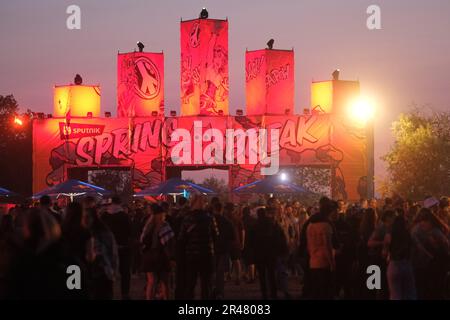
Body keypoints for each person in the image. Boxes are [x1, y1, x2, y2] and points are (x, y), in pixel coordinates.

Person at [5, 208, 67, 299]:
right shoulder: (68, 259)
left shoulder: (21, 262)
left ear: (28, 230)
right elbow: (79, 292)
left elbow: (12, 291)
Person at [179, 195, 218, 299]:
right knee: (206, 282)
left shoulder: (187, 218)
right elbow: (216, 235)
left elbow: (182, 238)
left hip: (191, 254)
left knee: (191, 282)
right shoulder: (210, 218)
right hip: (207, 253)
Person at [411, 208, 449, 299]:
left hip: (437, 263)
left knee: (434, 287)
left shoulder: (435, 232)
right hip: (429, 264)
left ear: (430, 222)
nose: (422, 224)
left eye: (424, 222)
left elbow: (445, 247)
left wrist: (434, 247)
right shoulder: (422, 231)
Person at [250, 207, 287, 300]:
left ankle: (264, 294)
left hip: (259, 254)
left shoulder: (254, 225)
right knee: (271, 275)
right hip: (271, 253)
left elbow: (251, 240)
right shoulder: (272, 224)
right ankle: (273, 294)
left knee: (262, 276)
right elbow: (279, 237)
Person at [140, 204, 175, 300]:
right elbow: (168, 243)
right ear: (161, 214)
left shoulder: (147, 226)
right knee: (165, 282)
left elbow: (142, 240)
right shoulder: (164, 226)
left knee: (151, 282)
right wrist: (172, 258)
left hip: (148, 257)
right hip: (161, 256)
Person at [101, 196, 132, 299]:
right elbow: (129, 232)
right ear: (119, 203)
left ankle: (109, 294)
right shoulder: (124, 215)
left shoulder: (105, 215)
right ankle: (125, 294)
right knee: (125, 272)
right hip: (123, 247)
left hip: (108, 248)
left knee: (109, 272)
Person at [85, 207, 119, 300]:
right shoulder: (81, 233)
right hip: (87, 273)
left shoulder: (103, 232)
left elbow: (113, 252)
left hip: (102, 271)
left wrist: (113, 271)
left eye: (88, 217)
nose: (85, 220)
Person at [306, 199, 335, 300]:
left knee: (316, 290)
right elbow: (327, 246)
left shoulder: (310, 226)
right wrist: (332, 263)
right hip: (324, 262)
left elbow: (308, 244)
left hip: (313, 261)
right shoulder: (326, 226)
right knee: (325, 291)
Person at [61, 201, 90, 299]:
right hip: (80, 267)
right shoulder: (85, 232)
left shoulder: (60, 230)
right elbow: (90, 256)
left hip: (64, 267)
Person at [384, 215, 416, 300]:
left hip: (394, 263)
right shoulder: (408, 234)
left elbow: (384, 252)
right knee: (409, 293)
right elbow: (413, 249)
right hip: (406, 263)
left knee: (395, 294)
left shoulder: (389, 235)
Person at [367, 210, 396, 299]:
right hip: (377, 260)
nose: (395, 219)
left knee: (382, 287)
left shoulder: (391, 228)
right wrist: (383, 242)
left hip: (384, 261)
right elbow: (369, 243)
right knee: (376, 286)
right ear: (387, 218)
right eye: (393, 217)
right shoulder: (381, 228)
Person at [211, 200, 234, 299]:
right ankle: (219, 292)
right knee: (220, 272)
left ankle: (212, 290)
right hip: (223, 249)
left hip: (211, 249)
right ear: (221, 210)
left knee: (211, 271)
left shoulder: (210, 221)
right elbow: (232, 237)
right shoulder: (227, 222)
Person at [242, 206, 256, 283]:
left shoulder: (243, 220)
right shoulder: (254, 220)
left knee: (248, 260)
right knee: (251, 260)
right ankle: (250, 275)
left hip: (246, 242)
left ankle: (251, 277)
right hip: (253, 242)